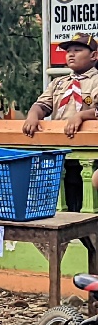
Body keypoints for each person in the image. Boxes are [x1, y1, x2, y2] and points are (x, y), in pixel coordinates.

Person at [22, 32, 98, 212]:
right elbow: (41, 104)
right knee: (67, 208)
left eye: (78, 50)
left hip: (89, 155)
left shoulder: (96, 81)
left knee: (88, 208)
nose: (71, 54)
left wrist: (81, 116)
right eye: (68, 51)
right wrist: (33, 116)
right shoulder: (59, 83)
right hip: (61, 155)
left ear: (94, 55)